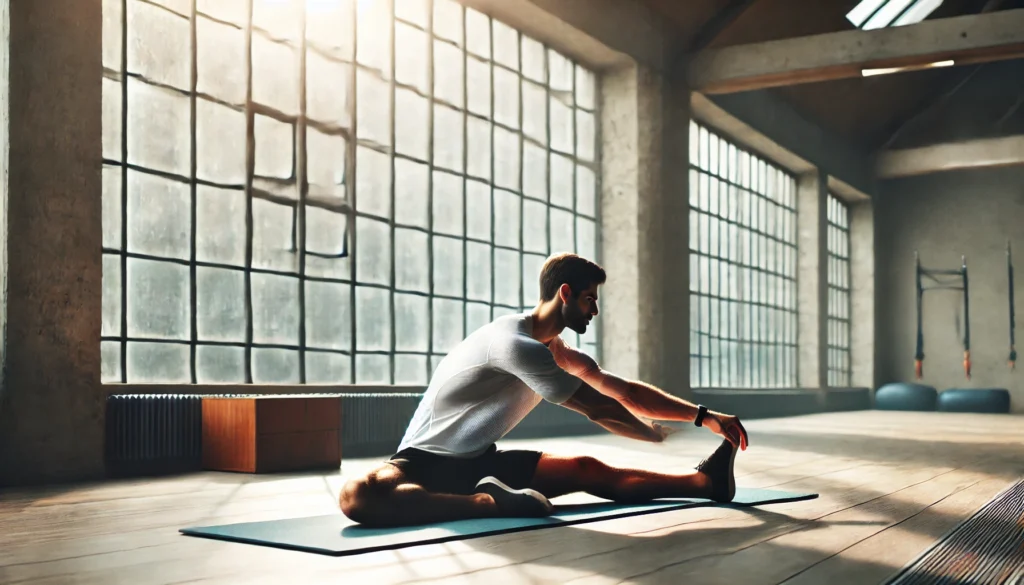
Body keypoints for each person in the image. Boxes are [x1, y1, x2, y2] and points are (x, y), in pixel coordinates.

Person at [340, 253, 750, 527]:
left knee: (587, 468)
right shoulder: (516, 345)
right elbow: (599, 409)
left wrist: (703, 415)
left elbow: (623, 391)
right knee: (358, 494)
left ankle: (704, 483)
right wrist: (651, 433)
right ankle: (489, 505)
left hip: (482, 465)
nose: (595, 310)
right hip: (423, 462)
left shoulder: (558, 350)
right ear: (564, 294)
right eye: (590, 299)